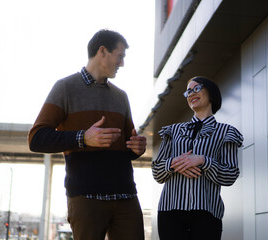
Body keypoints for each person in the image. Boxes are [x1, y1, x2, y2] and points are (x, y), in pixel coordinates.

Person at [28, 29, 146, 240]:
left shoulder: (122, 97)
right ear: (103, 51)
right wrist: (83, 138)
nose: (122, 64)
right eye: (120, 56)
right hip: (86, 198)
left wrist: (137, 148)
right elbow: (36, 139)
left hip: (126, 197)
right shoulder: (65, 88)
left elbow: (127, 148)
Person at [152, 76, 243, 240]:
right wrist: (175, 163)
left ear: (211, 92)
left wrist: (202, 160)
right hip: (169, 212)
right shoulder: (172, 131)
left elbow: (230, 175)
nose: (191, 93)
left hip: (207, 213)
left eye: (196, 88)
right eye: (188, 91)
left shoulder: (226, 132)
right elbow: (157, 173)